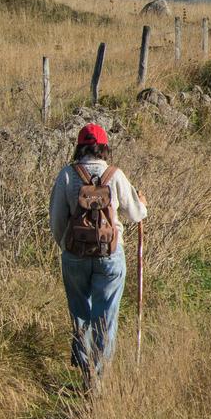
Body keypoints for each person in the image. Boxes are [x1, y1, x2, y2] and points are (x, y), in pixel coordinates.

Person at [48, 123, 147, 388]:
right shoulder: (115, 175)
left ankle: (85, 371)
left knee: (80, 313)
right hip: (110, 256)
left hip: (74, 256)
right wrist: (142, 204)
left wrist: (67, 248)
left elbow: (57, 221)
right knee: (106, 315)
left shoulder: (67, 175)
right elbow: (136, 213)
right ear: (103, 147)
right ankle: (99, 379)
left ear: (79, 146)